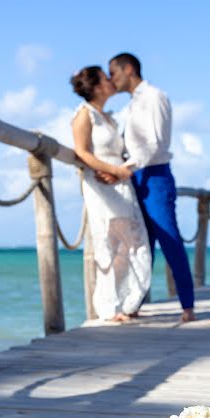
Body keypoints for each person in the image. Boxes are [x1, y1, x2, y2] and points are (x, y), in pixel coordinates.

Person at [97, 53, 196, 322]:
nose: (111, 80)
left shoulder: (154, 97)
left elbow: (153, 145)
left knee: (169, 238)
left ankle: (188, 305)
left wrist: (121, 171)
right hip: (134, 177)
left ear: (128, 69)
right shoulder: (129, 106)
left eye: (113, 73)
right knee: (139, 243)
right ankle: (134, 303)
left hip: (154, 176)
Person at [70, 66, 152, 322]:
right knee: (108, 243)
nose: (111, 81)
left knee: (133, 244)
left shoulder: (108, 117)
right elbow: (82, 152)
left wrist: (120, 172)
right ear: (95, 86)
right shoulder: (85, 115)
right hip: (100, 184)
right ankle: (108, 307)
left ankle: (128, 301)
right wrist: (113, 170)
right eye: (106, 79)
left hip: (120, 183)